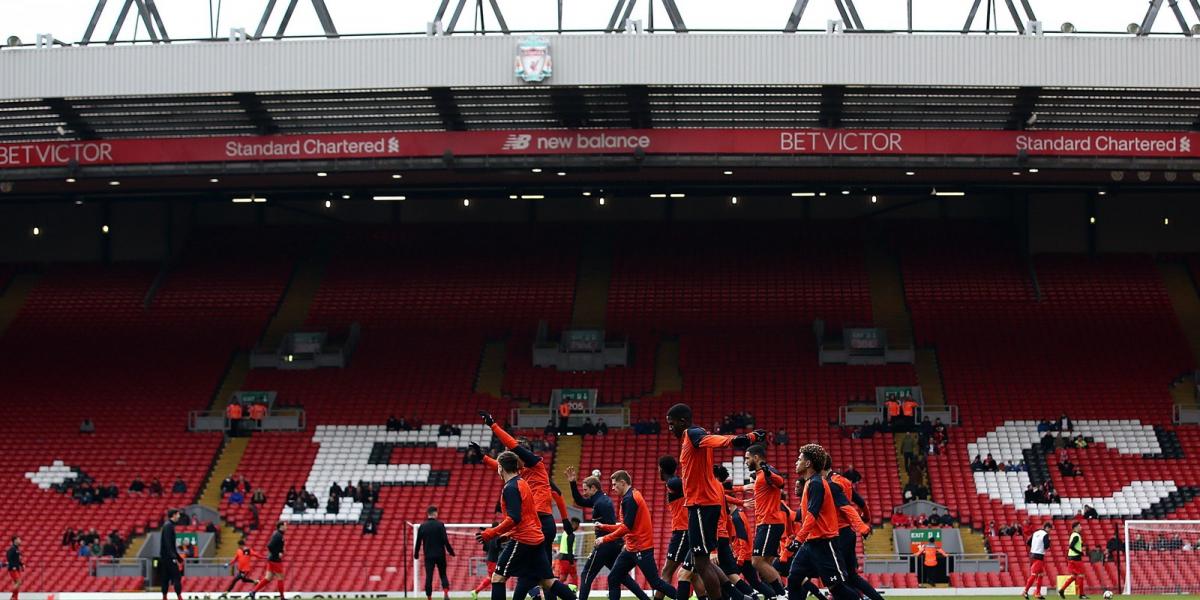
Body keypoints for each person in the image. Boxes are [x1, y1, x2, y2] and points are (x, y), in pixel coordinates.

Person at [665, 403, 765, 600]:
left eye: (671, 424)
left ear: (683, 421)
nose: (670, 428)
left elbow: (711, 440)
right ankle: (739, 596)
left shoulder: (693, 433)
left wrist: (744, 439)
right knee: (702, 561)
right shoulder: (691, 438)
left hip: (701, 505)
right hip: (699, 505)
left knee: (701, 563)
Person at [475, 451, 577, 600]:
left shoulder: (511, 488)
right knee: (548, 581)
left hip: (523, 539)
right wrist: (506, 535)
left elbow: (514, 518)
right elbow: (529, 516)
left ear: (501, 468)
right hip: (536, 537)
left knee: (498, 577)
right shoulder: (522, 483)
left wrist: (491, 533)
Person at [473, 411, 572, 565]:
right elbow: (501, 466)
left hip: (539, 522)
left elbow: (557, 494)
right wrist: (484, 458)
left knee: (525, 569)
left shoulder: (535, 466)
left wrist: (493, 425)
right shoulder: (520, 472)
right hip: (533, 522)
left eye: (513, 454)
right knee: (539, 573)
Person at [787, 443, 860, 600]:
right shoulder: (810, 483)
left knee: (837, 588)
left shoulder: (817, 483)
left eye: (799, 459)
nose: (795, 462)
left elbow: (812, 515)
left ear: (808, 463)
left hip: (825, 544)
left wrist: (798, 539)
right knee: (793, 579)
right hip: (810, 544)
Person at [564, 465, 648, 600]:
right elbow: (579, 500)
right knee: (623, 577)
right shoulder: (600, 499)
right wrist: (572, 482)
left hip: (604, 544)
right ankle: (645, 598)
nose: (584, 493)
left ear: (593, 488)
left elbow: (611, 523)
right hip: (612, 544)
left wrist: (608, 540)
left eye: (586, 490)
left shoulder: (601, 503)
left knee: (586, 574)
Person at [597, 470, 678, 600]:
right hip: (631, 549)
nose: (612, 488)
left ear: (623, 483)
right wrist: (604, 527)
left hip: (641, 548)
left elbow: (626, 528)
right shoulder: (632, 495)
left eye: (614, 484)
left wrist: (604, 539)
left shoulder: (630, 499)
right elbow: (626, 525)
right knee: (613, 577)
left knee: (655, 583)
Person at [823, 461, 883, 600]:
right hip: (848, 533)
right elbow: (861, 502)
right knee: (851, 576)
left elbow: (845, 507)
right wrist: (866, 517)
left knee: (840, 576)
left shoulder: (829, 484)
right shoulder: (844, 481)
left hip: (838, 533)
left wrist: (861, 526)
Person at [741, 444, 788, 599]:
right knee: (765, 564)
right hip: (766, 523)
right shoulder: (760, 474)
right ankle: (775, 595)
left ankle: (782, 594)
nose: (745, 461)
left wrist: (768, 472)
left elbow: (781, 482)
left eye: (747, 458)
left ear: (756, 457)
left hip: (770, 522)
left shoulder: (768, 471)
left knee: (756, 562)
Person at [415, 506, 455, 600]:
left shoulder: (423, 526)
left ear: (428, 514)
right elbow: (445, 540)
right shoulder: (440, 525)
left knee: (429, 576)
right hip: (440, 554)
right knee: (443, 574)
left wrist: (416, 554)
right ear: (435, 513)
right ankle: (445, 593)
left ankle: (429, 597)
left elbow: (418, 542)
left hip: (428, 556)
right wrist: (451, 551)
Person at [247, 521, 287, 599]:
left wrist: (281, 551)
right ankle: (282, 597)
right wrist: (277, 554)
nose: (286, 527)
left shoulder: (278, 534)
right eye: (285, 525)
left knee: (268, 578)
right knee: (280, 577)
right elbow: (270, 546)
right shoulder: (278, 535)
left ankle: (253, 592)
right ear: (281, 526)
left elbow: (276, 546)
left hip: (271, 559)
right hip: (275, 560)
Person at [1023, 522, 1053, 600]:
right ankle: (1025, 591)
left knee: (1040, 574)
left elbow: (1028, 543)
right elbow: (1046, 546)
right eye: (1050, 529)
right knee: (1034, 575)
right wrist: (1049, 541)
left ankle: (1038, 593)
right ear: (1047, 528)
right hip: (1039, 556)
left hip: (1032, 555)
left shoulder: (1035, 532)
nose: (1050, 531)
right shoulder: (1045, 535)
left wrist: (1035, 547)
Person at [1057, 522, 1088, 599]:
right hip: (1076, 558)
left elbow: (1075, 545)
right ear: (1075, 527)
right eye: (1079, 526)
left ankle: (1062, 590)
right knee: (1080, 575)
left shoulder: (1073, 535)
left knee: (1074, 576)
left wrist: (1082, 545)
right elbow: (1071, 546)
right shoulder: (1076, 536)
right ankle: (1081, 594)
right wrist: (1079, 552)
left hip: (1070, 558)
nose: (1081, 527)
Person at [159, 509, 184, 600]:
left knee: (165, 578)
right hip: (169, 558)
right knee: (177, 577)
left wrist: (179, 557)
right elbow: (168, 543)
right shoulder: (169, 526)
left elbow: (170, 545)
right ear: (174, 515)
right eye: (178, 514)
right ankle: (179, 597)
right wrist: (174, 557)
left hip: (165, 557)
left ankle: (164, 597)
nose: (179, 516)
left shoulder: (167, 525)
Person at [556, 517, 581, 587]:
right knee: (574, 577)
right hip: (567, 558)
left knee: (563, 577)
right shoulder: (571, 535)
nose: (578, 527)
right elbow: (569, 549)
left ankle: (555, 590)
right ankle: (575, 592)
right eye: (578, 525)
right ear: (574, 524)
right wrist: (571, 562)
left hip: (562, 557)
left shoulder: (565, 532)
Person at [7, 536, 22, 600]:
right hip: (13, 569)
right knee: (19, 582)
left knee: (17, 584)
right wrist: (13, 566)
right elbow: (9, 558)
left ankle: (14, 598)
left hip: (17, 568)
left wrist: (22, 564)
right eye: (19, 539)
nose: (20, 540)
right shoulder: (12, 549)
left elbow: (18, 559)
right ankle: (11, 593)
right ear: (15, 540)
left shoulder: (17, 549)